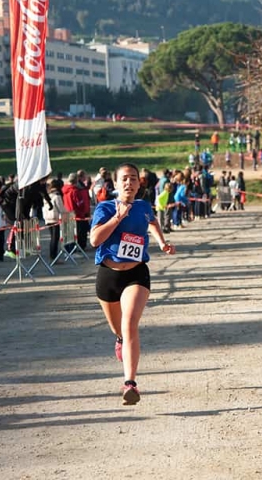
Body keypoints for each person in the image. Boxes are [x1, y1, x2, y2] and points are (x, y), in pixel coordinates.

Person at [89, 163, 175, 406]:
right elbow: (95, 239)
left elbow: (153, 222)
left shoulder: (143, 207)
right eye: (124, 179)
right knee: (119, 331)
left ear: (139, 184)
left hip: (137, 273)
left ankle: (130, 383)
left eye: (134, 179)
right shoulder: (105, 208)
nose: (129, 183)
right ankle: (118, 340)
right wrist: (117, 217)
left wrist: (161, 242)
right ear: (115, 184)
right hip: (108, 275)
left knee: (129, 325)